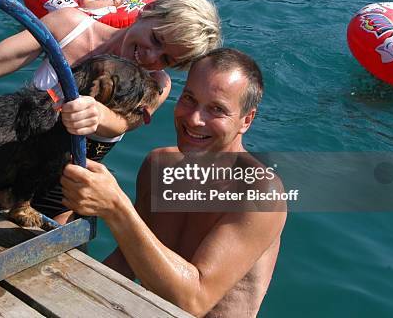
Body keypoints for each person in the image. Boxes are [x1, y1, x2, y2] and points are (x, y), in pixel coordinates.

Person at [0, 0, 221, 222]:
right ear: (148, 10)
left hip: (61, 195)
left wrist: (95, 111)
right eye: (155, 39)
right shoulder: (70, 26)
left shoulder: (155, 85)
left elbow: (122, 123)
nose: (152, 58)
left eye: (167, 58)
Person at [60, 48, 287, 317]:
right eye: (190, 99)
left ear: (246, 120)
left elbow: (194, 300)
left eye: (217, 109)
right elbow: (126, 261)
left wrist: (116, 207)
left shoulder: (259, 192)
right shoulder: (159, 166)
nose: (194, 119)